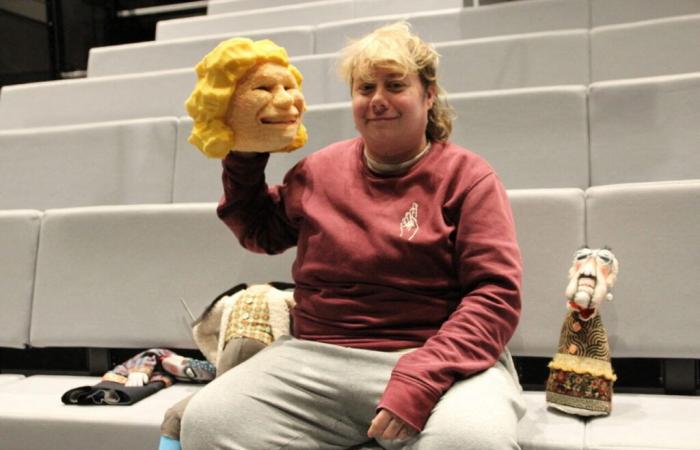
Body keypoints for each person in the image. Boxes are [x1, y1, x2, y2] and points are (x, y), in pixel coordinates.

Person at [181, 22, 526, 450]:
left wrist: (421, 376)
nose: (378, 100)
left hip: (437, 358)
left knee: (470, 442)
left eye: (395, 85)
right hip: (315, 356)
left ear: (428, 95)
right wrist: (245, 155)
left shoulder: (469, 178)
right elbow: (260, 232)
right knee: (208, 422)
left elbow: (495, 296)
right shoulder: (317, 171)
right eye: (365, 89)